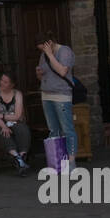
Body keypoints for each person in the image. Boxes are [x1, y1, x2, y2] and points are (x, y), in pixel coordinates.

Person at [36, 32, 77, 168]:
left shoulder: (65, 51)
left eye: (43, 48)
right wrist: (39, 73)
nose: (42, 51)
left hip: (61, 95)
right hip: (46, 95)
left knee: (67, 129)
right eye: (40, 49)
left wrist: (50, 55)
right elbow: (43, 76)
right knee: (53, 130)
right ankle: (58, 161)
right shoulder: (44, 54)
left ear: (50, 43)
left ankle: (71, 162)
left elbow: (62, 71)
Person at [0, 69, 32, 176]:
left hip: (14, 121)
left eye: (5, 82)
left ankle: (20, 158)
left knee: (24, 130)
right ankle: (18, 160)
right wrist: (4, 126)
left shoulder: (18, 94)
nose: (2, 83)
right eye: (1, 80)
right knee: (3, 132)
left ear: (12, 85)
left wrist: (3, 115)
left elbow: (18, 116)